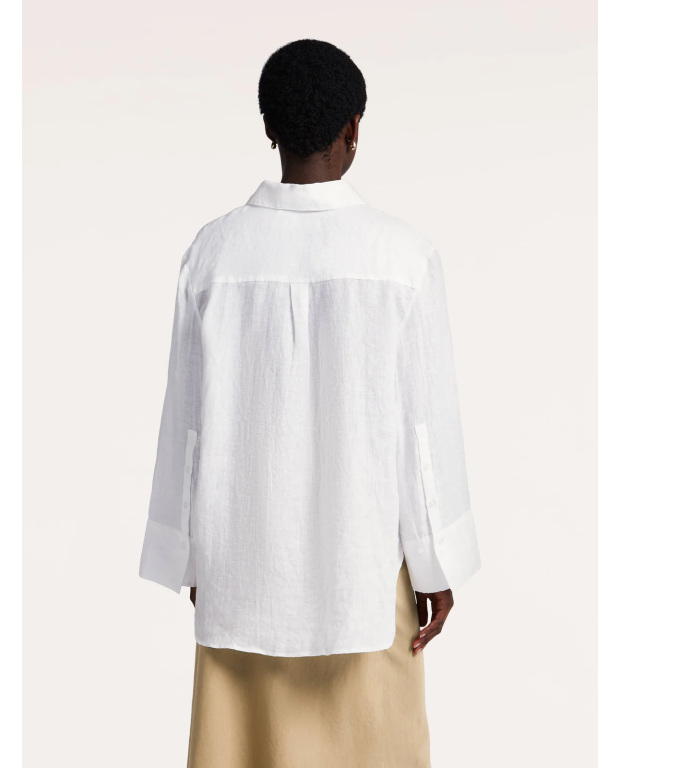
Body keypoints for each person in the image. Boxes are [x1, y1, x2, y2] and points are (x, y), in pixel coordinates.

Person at [139, 39, 481, 768]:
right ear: (354, 128)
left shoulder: (213, 254)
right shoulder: (401, 257)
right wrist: (436, 563)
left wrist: (189, 552)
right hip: (364, 575)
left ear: (268, 128)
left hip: (242, 572)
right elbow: (421, 432)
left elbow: (187, 425)